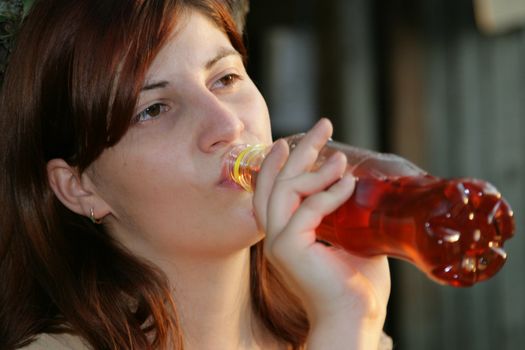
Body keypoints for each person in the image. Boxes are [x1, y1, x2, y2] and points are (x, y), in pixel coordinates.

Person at [0, 0, 391, 349]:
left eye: (225, 78)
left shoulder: (343, 320)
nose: (227, 124)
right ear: (79, 188)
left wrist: (351, 315)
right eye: (153, 109)